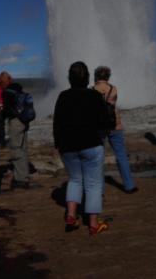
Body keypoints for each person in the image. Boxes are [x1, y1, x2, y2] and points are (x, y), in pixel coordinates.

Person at [53, 61, 113, 234]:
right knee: (93, 184)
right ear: (87, 78)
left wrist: (58, 143)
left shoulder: (63, 96)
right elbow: (104, 122)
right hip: (91, 145)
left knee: (75, 180)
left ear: (69, 78)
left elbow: (57, 122)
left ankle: (71, 215)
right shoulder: (94, 96)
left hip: (68, 147)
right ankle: (93, 224)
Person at [93, 65, 137, 193]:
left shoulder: (91, 90)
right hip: (115, 124)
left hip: (98, 127)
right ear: (108, 76)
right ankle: (129, 185)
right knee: (121, 155)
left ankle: (99, 190)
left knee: (98, 158)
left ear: (96, 76)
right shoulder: (113, 89)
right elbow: (112, 103)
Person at [0, 71, 31, 189]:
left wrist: (1, 113)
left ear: (3, 82)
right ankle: (24, 175)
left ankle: (20, 179)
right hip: (24, 121)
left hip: (15, 122)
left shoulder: (6, 93)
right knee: (23, 147)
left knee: (16, 149)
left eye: (0, 82)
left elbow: (7, 110)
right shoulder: (19, 89)